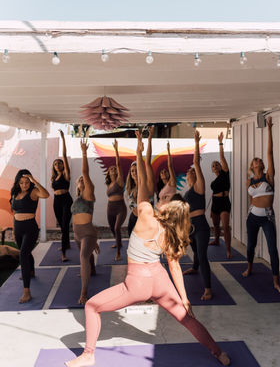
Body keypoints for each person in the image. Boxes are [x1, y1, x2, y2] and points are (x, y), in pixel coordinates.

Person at [65, 131, 230, 367]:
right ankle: (219, 354)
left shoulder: (146, 216)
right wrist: (184, 299)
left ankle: (88, 355)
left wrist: (140, 152)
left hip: (138, 284)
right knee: (187, 318)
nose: (161, 193)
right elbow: (174, 267)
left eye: (163, 195)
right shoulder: (172, 232)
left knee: (92, 306)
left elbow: (143, 183)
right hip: (161, 282)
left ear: (164, 203)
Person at [242, 117, 280, 294]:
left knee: (272, 249)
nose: (258, 161)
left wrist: (269, 130)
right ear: (252, 166)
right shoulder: (248, 181)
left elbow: (270, 152)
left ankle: (276, 282)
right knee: (251, 245)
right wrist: (250, 212)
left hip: (267, 217)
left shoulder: (268, 177)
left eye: (260, 160)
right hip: (252, 217)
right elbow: (251, 201)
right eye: (255, 160)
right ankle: (249, 267)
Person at [10, 169, 49, 303]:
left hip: (30, 228)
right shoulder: (15, 192)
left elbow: (46, 195)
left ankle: (27, 291)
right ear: (18, 183)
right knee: (25, 252)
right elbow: (14, 210)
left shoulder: (34, 192)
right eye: (21, 182)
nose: (24, 185)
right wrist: (14, 228)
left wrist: (35, 181)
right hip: (18, 228)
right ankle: (30, 271)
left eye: (27, 182)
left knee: (23, 255)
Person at [182, 130, 212, 301]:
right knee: (194, 251)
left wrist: (195, 142)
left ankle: (208, 289)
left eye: (193, 172)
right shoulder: (187, 191)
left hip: (200, 225)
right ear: (186, 177)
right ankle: (195, 267)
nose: (191, 172)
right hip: (190, 226)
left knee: (202, 255)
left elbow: (195, 163)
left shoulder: (199, 186)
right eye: (189, 172)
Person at [71, 139, 99, 305]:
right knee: (87, 259)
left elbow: (85, 172)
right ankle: (92, 269)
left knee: (83, 258)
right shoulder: (77, 198)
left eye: (84, 179)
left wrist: (83, 152)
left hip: (88, 233)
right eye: (79, 179)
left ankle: (83, 293)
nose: (82, 180)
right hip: (76, 234)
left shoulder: (89, 195)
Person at [126, 127, 154, 236]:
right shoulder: (130, 189)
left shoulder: (148, 185)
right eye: (132, 171)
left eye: (136, 170)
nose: (134, 172)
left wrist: (148, 139)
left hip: (146, 221)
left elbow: (147, 162)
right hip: (133, 220)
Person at [209, 132, 232, 259]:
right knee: (216, 225)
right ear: (212, 170)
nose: (215, 166)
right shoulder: (213, 182)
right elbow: (213, 194)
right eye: (213, 166)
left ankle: (228, 250)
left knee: (226, 227)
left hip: (224, 202)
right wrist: (212, 209)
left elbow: (222, 157)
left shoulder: (225, 173)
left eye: (217, 164)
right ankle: (217, 240)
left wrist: (220, 143)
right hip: (215, 204)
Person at [51, 130, 73, 262]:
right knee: (61, 224)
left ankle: (64, 252)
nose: (57, 164)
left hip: (66, 200)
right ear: (53, 167)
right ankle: (67, 243)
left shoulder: (66, 174)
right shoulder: (54, 177)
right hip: (56, 201)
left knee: (65, 226)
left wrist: (63, 138)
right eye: (55, 164)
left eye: (59, 163)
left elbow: (64, 155)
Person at [105, 139, 127, 261]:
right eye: (111, 169)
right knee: (112, 228)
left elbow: (118, 164)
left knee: (117, 228)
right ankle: (118, 242)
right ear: (108, 173)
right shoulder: (108, 184)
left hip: (120, 207)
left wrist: (116, 150)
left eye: (114, 169)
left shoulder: (119, 180)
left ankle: (118, 252)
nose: (113, 169)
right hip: (110, 207)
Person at [156, 141, 177, 208]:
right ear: (160, 177)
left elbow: (170, 166)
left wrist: (168, 151)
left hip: (170, 209)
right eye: (161, 173)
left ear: (169, 174)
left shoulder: (172, 182)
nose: (164, 173)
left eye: (165, 171)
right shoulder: (161, 188)